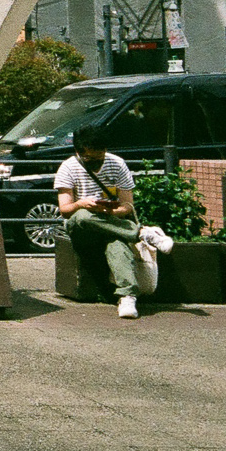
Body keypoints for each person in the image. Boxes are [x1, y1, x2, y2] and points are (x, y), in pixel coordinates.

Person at [54, 124, 173, 318]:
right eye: (90, 159)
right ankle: (141, 233)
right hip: (82, 227)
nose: (97, 164)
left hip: (111, 222)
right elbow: (65, 210)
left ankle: (127, 296)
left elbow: (127, 206)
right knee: (84, 216)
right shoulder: (68, 167)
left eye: (100, 158)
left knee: (116, 242)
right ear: (79, 152)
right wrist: (82, 204)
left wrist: (110, 211)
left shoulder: (117, 164)